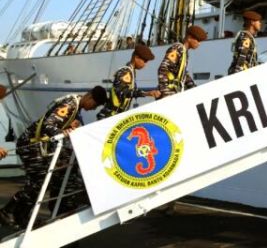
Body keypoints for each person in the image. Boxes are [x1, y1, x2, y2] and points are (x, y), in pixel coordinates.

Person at [0, 87, 107, 228]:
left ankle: (22, 216)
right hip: (31, 144)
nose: (93, 109)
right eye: (95, 105)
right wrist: (62, 132)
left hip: (37, 146)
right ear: (90, 98)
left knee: (45, 181)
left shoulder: (76, 106)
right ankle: (8, 211)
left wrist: (69, 126)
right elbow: (48, 124)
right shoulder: (70, 105)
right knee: (39, 182)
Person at [97, 45, 160, 120]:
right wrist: (146, 93)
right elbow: (122, 92)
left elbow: (131, 91)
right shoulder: (125, 72)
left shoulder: (131, 72)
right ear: (136, 57)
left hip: (115, 116)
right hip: (109, 116)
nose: (145, 65)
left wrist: (148, 93)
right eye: (145, 61)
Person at [158, 25, 207, 98]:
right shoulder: (177, 48)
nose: (199, 44)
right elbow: (163, 69)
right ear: (189, 38)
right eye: (198, 40)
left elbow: (183, 74)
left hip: (176, 92)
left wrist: (193, 87)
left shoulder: (184, 52)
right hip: (169, 93)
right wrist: (166, 93)